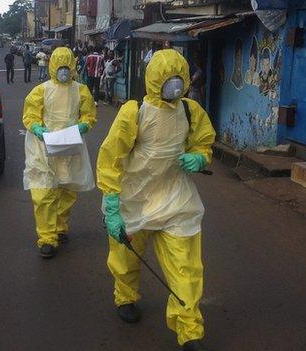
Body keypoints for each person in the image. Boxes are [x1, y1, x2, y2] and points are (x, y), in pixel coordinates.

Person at [96, 49, 216, 351]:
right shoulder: (134, 112)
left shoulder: (190, 110)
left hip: (175, 198)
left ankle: (189, 329)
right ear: (153, 80)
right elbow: (111, 157)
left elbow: (203, 141)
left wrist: (199, 158)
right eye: (168, 80)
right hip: (135, 198)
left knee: (186, 268)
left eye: (179, 80)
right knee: (126, 259)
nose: (174, 86)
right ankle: (125, 296)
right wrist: (112, 203)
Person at [22, 47, 97, 259]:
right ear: (53, 66)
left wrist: (84, 125)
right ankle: (47, 237)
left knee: (67, 189)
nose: (64, 71)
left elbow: (89, 114)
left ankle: (60, 227)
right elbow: (30, 115)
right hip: (42, 146)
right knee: (43, 191)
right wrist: (37, 127)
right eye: (60, 66)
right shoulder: (41, 91)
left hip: (70, 145)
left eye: (67, 66)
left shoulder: (81, 90)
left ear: (72, 66)